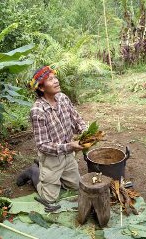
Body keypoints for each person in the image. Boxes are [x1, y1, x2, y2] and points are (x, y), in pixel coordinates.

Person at [29, 65, 87, 203]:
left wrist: (86, 132)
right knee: (49, 199)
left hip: (68, 155)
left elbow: (77, 119)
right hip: (51, 158)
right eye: (50, 79)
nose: (56, 81)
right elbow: (42, 145)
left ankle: (52, 176)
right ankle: (33, 172)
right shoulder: (38, 110)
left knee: (75, 187)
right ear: (42, 88)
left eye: (55, 77)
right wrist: (70, 146)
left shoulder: (62, 98)